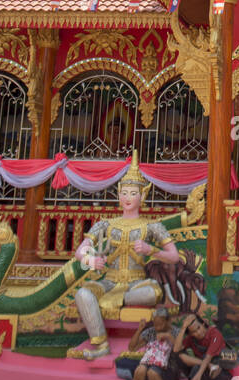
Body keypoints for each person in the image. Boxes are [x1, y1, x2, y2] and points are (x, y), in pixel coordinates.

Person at [68, 151, 182, 360]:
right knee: (82, 294)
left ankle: (116, 303)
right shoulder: (105, 224)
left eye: (133, 193)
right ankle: (100, 343)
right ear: (118, 194)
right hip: (109, 282)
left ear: (143, 196)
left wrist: (151, 250)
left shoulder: (152, 226)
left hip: (137, 284)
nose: (128, 198)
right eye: (124, 193)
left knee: (152, 293)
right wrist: (91, 259)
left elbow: (174, 256)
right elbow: (80, 251)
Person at [167, 314, 234, 380]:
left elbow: (208, 357)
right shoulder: (191, 339)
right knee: (178, 355)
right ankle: (203, 370)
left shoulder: (215, 334)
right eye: (193, 332)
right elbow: (176, 349)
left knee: (201, 364)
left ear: (203, 324)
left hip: (221, 374)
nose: (198, 333)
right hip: (206, 369)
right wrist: (183, 328)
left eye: (198, 328)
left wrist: (197, 377)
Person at [122, 307, 177, 380]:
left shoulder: (175, 332)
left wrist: (168, 336)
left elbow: (180, 348)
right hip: (149, 366)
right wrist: (139, 329)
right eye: (155, 324)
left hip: (169, 369)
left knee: (152, 372)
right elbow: (132, 348)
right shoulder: (151, 332)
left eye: (160, 324)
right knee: (140, 370)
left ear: (168, 321)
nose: (157, 328)